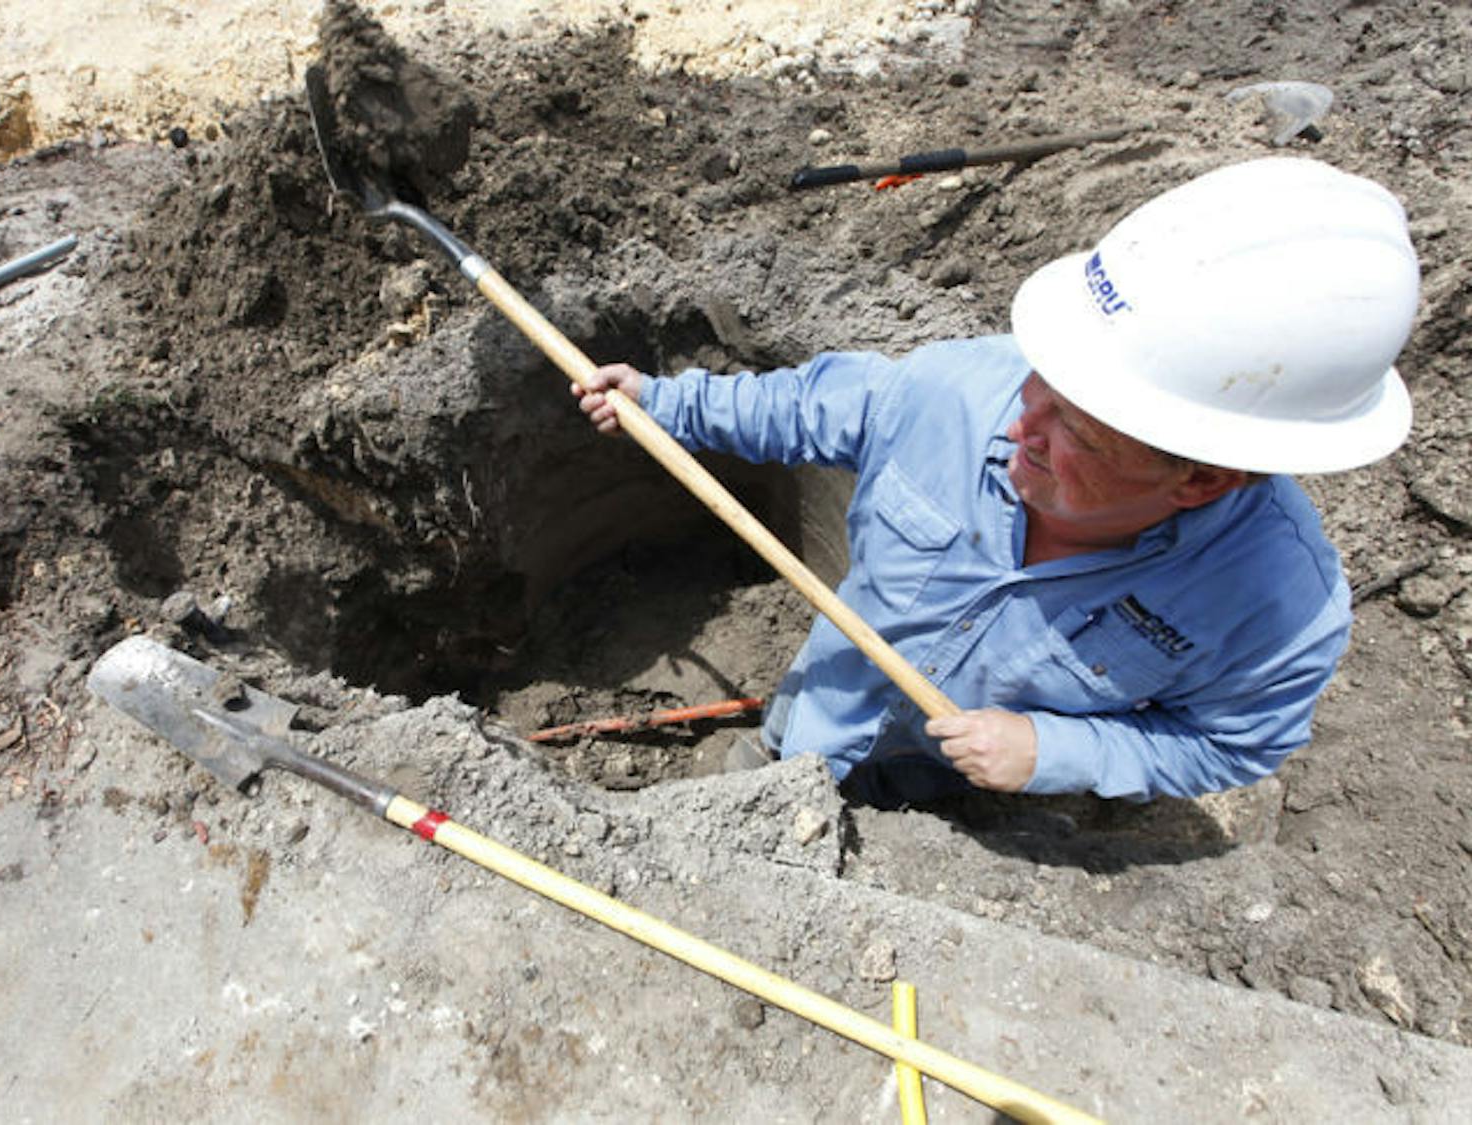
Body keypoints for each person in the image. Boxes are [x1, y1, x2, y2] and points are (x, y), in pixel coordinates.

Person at [574, 158, 1420, 808]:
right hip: (820, 713)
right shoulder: (960, 390)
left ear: (1203, 478)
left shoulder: (1278, 614)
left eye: (1076, 432)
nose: (1019, 426)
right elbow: (802, 408)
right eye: (1040, 384)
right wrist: (666, 402)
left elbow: (1228, 748)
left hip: (947, 788)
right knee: (766, 777)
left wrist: (1054, 753)